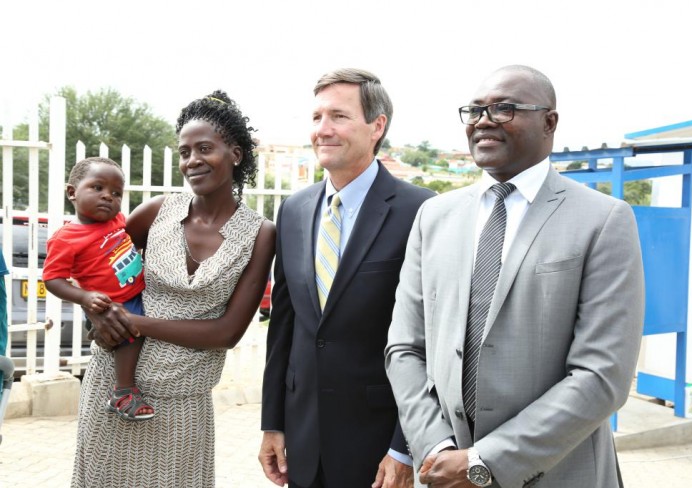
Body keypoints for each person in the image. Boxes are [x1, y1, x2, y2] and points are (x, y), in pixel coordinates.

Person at [385, 65, 645, 488]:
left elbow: (602, 375)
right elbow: (404, 348)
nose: (484, 120)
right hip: (443, 473)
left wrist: (484, 463)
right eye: (475, 110)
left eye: (505, 108)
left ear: (549, 122)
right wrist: (436, 449)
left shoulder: (603, 221)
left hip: (559, 474)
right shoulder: (434, 216)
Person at [71, 90, 275, 487]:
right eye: (184, 152)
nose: (192, 161)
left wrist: (133, 322)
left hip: (183, 403)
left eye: (204, 148)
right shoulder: (155, 212)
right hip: (113, 391)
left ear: (235, 153)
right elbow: (94, 267)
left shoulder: (260, 234)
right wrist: (96, 315)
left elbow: (227, 333)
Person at [259, 68, 434, 488]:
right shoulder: (294, 210)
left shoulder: (422, 211)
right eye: (317, 117)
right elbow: (286, 325)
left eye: (338, 116)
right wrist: (273, 424)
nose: (323, 130)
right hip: (302, 441)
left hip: (379, 448)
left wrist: (404, 446)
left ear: (377, 126)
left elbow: (432, 338)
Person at [43, 156, 153, 421]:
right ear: (72, 192)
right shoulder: (66, 238)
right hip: (111, 304)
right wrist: (84, 297)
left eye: (116, 193)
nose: (108, 197)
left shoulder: (118, 222)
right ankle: (123, 393)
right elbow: (52, 279)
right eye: (97, 188)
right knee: (129, 334)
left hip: (138, 292)